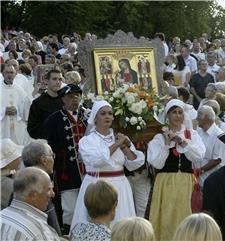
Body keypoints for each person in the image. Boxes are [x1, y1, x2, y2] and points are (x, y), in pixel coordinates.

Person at [71, 100, 144, 229]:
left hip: (120, 186)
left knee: (121, 223)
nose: (107, 116)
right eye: (103, 113)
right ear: (95, 117)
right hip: (96, 184)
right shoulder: (87, 140)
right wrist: (116, 144)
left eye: (110, 114)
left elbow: (134, 164)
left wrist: (125, 146)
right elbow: (96, 160)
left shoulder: (119, 137)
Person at [147, 99, 206, 241]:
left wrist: (182, 142)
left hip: (186, 182)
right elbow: (156, 163)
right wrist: (167, 145)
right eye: (174, 112)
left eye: (180, 112)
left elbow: (199, 155)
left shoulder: (191, 135)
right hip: (165, 183)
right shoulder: (160, 137)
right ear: (167, 115)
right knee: (166, 219)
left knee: (185, 216)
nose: (177, 115)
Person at [43, 84, 88, 234]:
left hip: (89, 170)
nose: (74, 99)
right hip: (66, 171)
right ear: (63, 99)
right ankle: (70, 234)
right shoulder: (53, 120)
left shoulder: (88, 116)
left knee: (90, 203)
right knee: (69, 207)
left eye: (77, 96)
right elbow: (47, 145)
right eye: (70, 96)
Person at [0, 167, 60, 240]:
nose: (53, 194)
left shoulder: (2, 216)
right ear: (33, 196)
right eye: (48, 189)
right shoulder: (37, 231)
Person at [21, 139, 61, 235]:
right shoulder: (40, 188)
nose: (54, 159)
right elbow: (51, 229)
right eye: (52, 155)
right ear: (44, 160)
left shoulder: (22, 183)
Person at [27, 69, 63, 139]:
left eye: (60, 79)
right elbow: (32, 129)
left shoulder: (65, 100)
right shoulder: (38, 103)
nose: (58, 82)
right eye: (54, 79)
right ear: (47, 81)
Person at [196, 105, 225, 186]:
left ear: (207, 118)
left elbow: (217, 160)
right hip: (197, 179)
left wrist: (199, 171)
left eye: (199, 115)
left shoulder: (219, 135)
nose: (196, 118)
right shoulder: (199, 132)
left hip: (210, 180)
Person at [1, 64, 31, 145]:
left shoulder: (20, 90)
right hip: (2, 125)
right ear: (3, 74)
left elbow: (26, 107)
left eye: (11, 72)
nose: (9, 75)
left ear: (15, 74)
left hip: (17, 126)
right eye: (6, 72)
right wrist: (3, 111)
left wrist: (17, 110)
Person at [1, 138, 23, 210]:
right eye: (17, 156)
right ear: (10, 161)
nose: (20, 157)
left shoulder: (7, 175)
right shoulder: (6, 182)